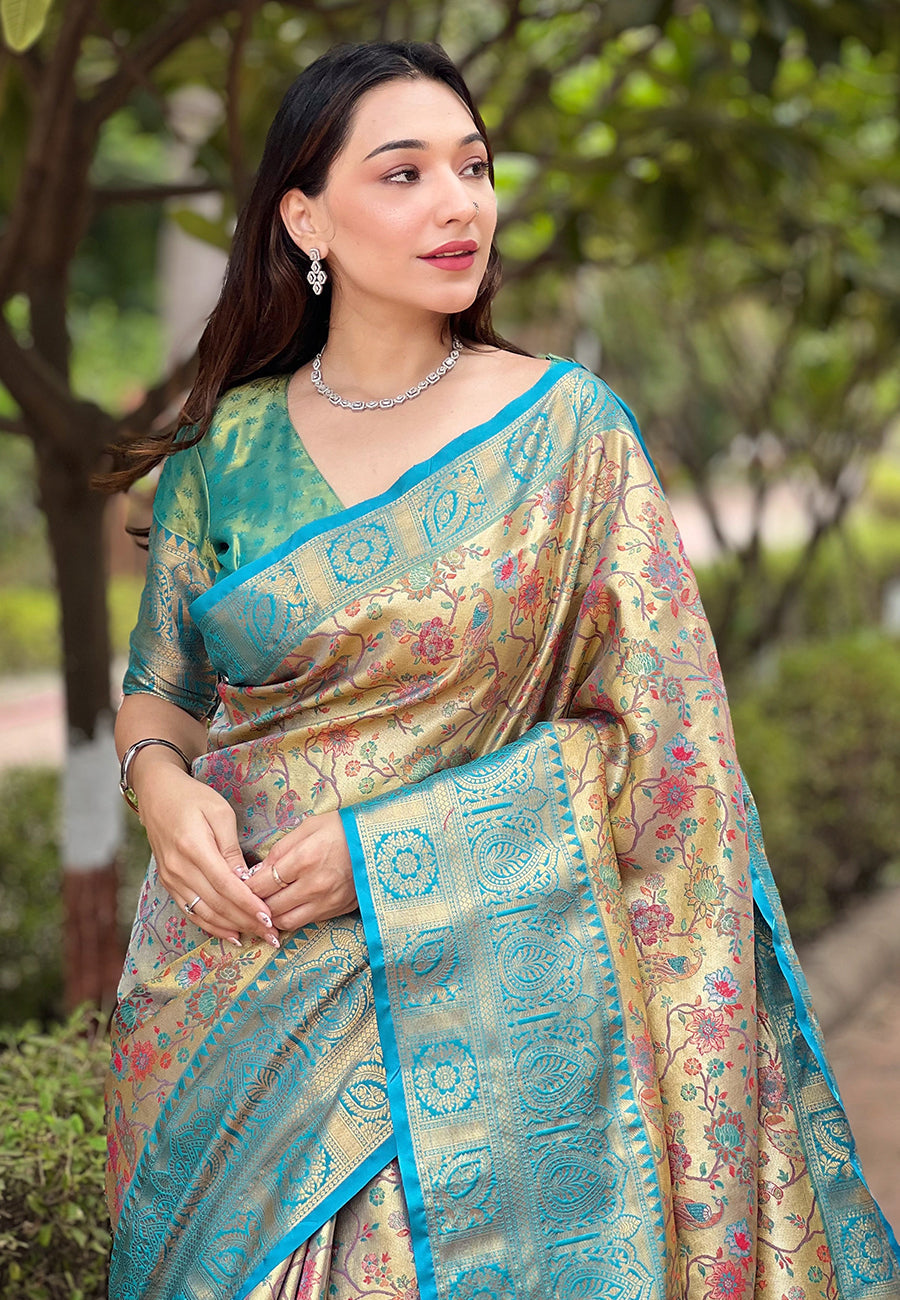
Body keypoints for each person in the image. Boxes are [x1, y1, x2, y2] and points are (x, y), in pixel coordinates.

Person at [103, 40, 899, 1300]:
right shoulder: (225, 449)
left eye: (472, 167)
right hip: (228, 993)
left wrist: (389, 852)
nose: (459, 203)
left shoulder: (567, 433)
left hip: (479, 1021)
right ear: (305, 219)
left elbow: (666, 755)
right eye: (405, 173)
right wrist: (158, 786)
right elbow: (164, 685)